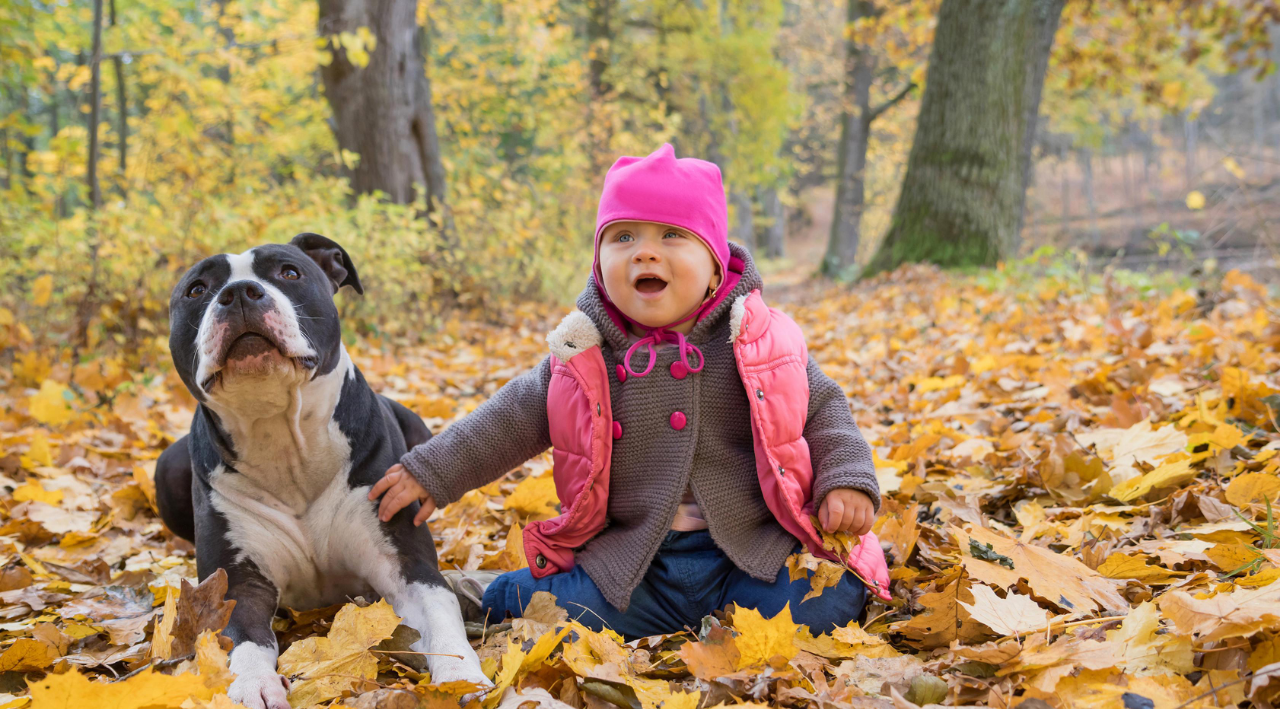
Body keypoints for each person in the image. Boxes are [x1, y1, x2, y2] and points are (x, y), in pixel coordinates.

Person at [369, 144, 890, 639]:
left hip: (754, 551)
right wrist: (433, 470)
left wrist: (846, 481)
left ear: (714, 265)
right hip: (635, 564)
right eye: (623, 238)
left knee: (825, 603)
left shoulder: (755, 341)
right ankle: (488, 593)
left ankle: (731, 620)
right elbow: (510, 419)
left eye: (670, 236)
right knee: (549, 611)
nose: (645, 253)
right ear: (599, 263)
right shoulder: (584, 354)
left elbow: (824, 410)